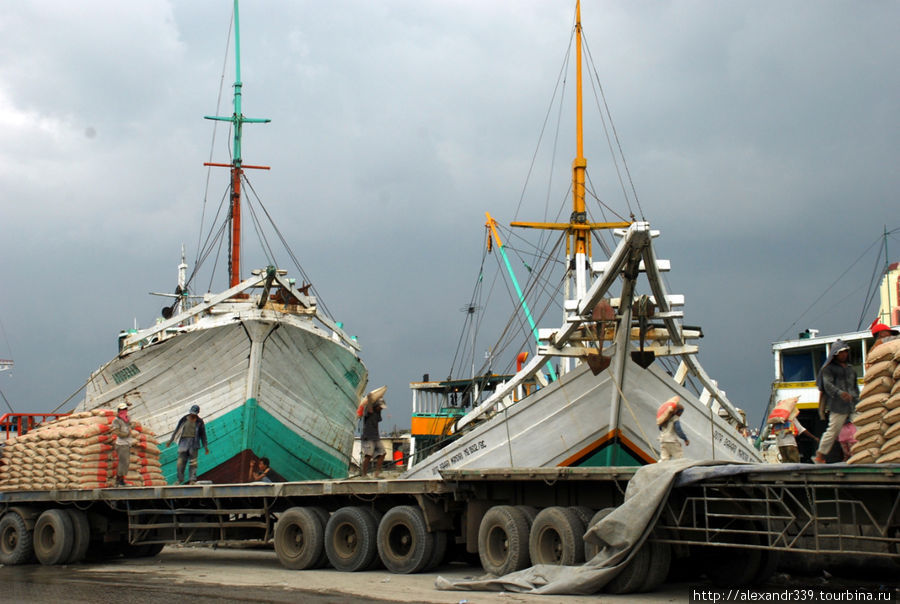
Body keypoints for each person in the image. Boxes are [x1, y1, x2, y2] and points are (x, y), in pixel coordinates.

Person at [814, 340, 859, 464]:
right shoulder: (829, 369)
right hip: (838, 406)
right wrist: (840, 393)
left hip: (853, 405)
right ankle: (820, 454)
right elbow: (828, 385)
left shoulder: (851, 369)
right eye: (841, 353)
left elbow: (855, 387)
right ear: (835, 354)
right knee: (833, 431)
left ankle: (859, 454)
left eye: (845, 352)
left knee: (860, 428)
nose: (844, 355)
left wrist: (857, 399)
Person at [166, 404, 210, 484]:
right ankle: (180, 479)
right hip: (183, 443)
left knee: (193, 463)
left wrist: (205, 446)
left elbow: (203, 435)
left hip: (194, 444)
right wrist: (170, 440)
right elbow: (177, 430)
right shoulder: (184, 419)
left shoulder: (200, 422)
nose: (192, 415)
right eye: (192, 413)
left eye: (194, 414)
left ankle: (192, 480)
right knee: (180, 463)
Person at [359, 390, 387, 478]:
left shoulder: (378, 413)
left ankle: (377, 473)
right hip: (368, 437)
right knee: (368, 455)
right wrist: (370, 398)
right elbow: (370, 409)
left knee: (382, 453)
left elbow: (378, 421)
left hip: (375, 437)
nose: (381, 408)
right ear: (376, 405)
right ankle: (364, 474)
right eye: (380, 407)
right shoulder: (368, 410)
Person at [110, 402, 133, 486]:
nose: (124, 411)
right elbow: (116, 431)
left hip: (127, 443)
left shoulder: (127, 418)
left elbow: (129, 426)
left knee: (125, 463)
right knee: (123, 462)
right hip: (121, 444)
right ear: (119, 410)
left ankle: (121, 480)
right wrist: (125, 434)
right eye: (122, 409)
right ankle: (118, 480)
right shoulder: (116, 420)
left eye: (125, 409)